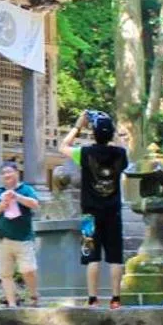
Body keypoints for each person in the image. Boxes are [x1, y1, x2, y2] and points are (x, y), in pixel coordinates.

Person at [63, 111, 130, 307]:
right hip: (113, 212)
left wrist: (77, 126)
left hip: (89, 214)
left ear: (93, 134)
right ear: (111, 134)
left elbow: (63, 146)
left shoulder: (85, 153)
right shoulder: (120, 154)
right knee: (115, 256)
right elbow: (126, 150)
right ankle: (116, 299)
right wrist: (115, 131)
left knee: (92, 255)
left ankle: (92, 299)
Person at [0, 161, 40, 308]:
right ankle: (12, 304)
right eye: (4, 173)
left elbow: (35, 204)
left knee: (28, 270)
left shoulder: (26, 189)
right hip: (3, 238)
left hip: (24, 237)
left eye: (9, 171)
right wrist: (1, 207)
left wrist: (17, 197)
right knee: (5, 274)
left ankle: (34, 297)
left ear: (16, 173)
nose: (6, 175)